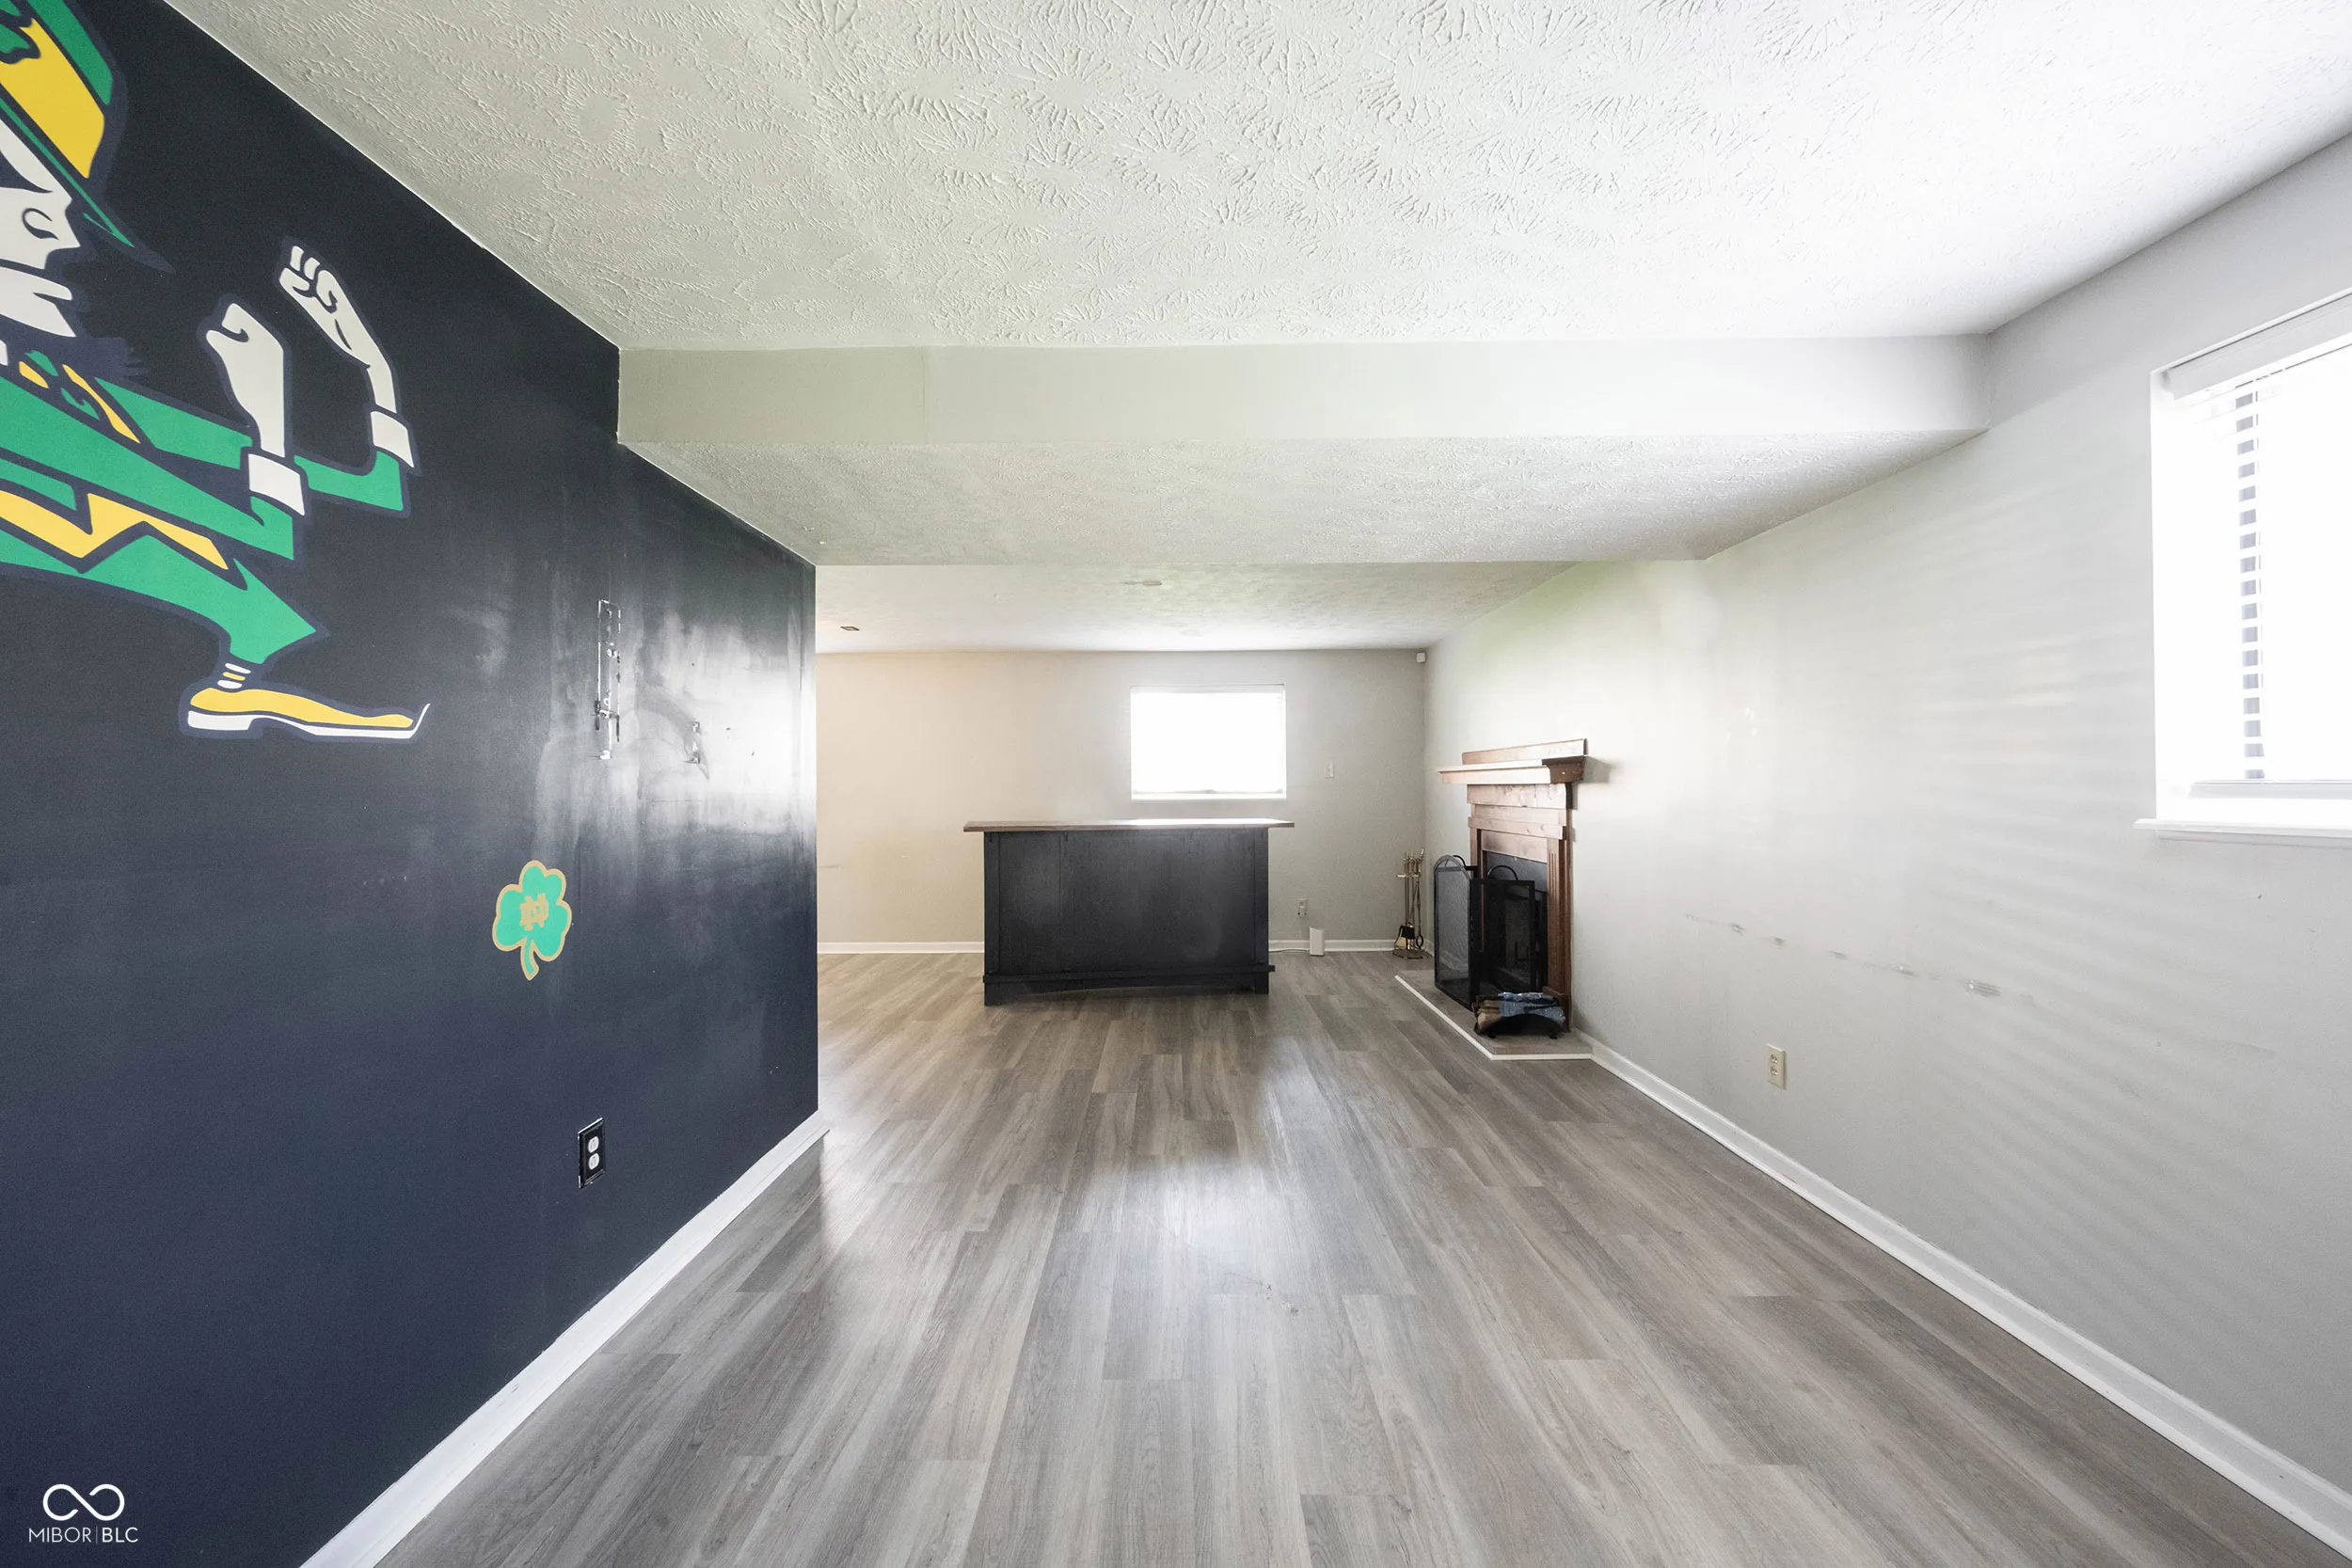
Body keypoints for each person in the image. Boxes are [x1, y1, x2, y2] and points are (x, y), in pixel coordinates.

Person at [0, 0, 426, 739]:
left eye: (64, 197)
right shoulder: (30, 409)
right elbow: (263, 534)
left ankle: (239, 679)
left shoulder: (66, 390)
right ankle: (237, 680)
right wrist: (268, 420)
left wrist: (370, 363)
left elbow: (371, 492)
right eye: (20, 181)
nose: (59, 226)